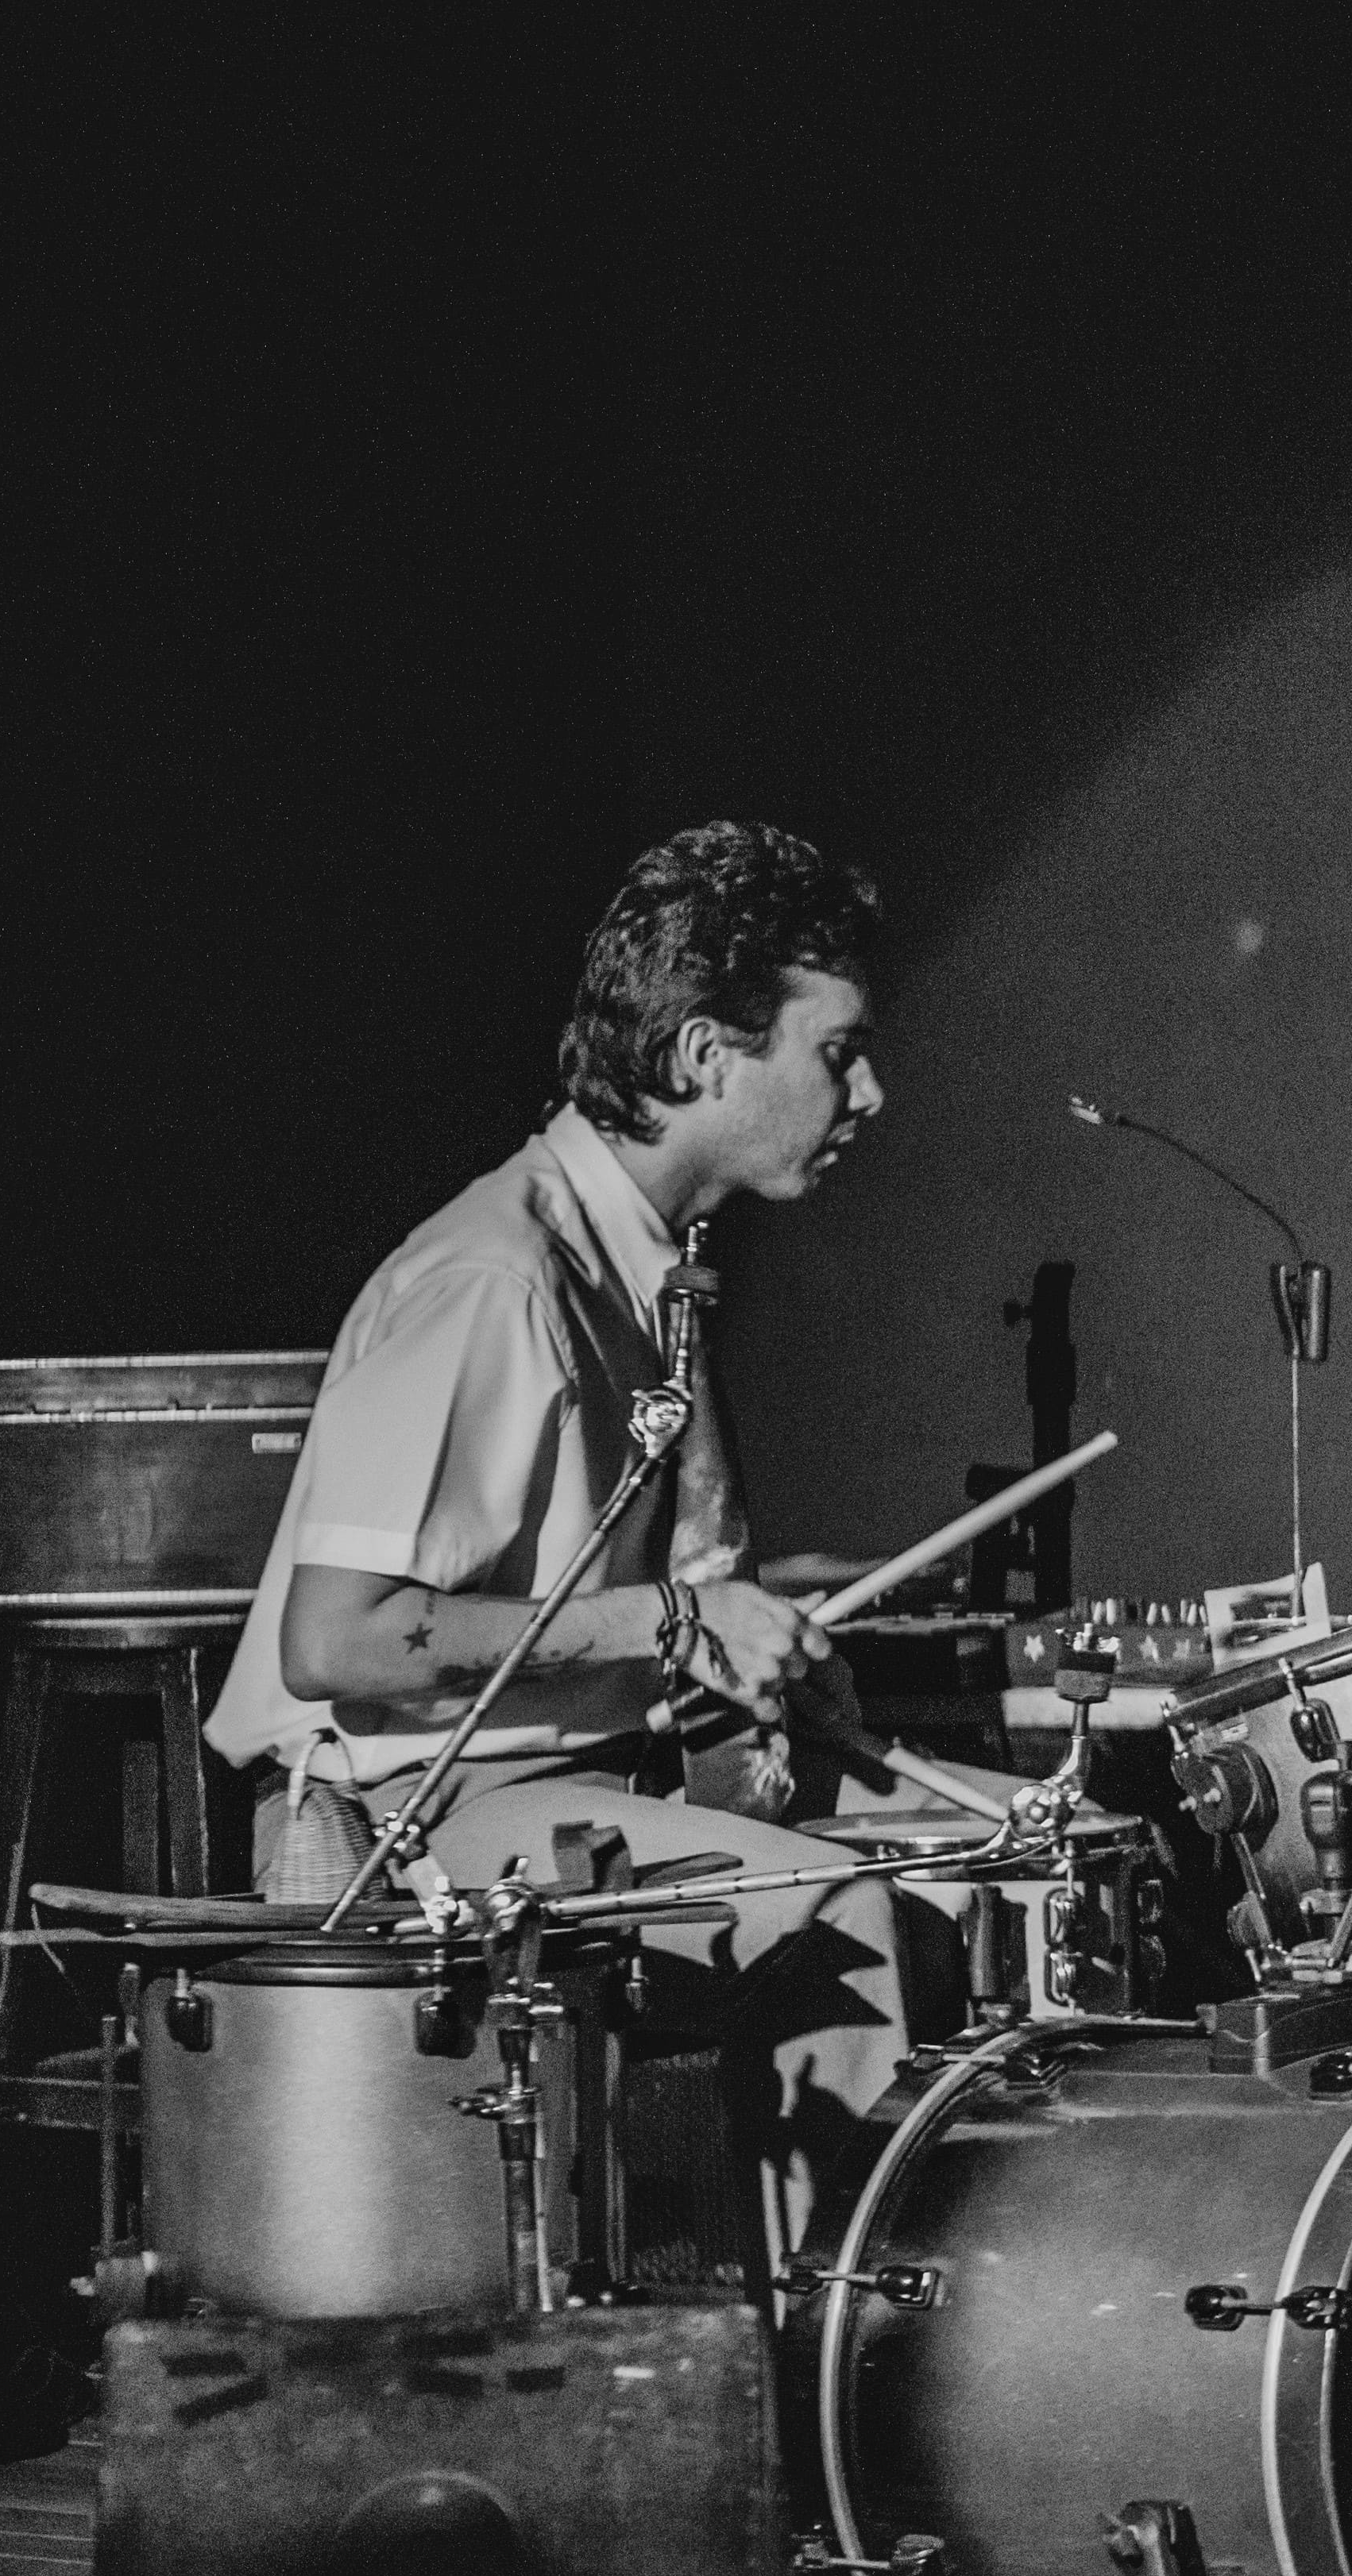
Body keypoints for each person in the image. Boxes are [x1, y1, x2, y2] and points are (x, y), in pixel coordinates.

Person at [208, 820, 920, 2261]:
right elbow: (338, 1639)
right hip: (418, 1817)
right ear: (708, 1054)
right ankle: (840, 2364)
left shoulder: (646, 1269)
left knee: (988, 1853)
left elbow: (622, 1587)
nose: (869, 1091)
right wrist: (676, 1625)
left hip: (586, 1777)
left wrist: (758, 1648)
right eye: (838, 1051)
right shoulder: (495, 1278)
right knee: (836, 1908)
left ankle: (909, 2312)